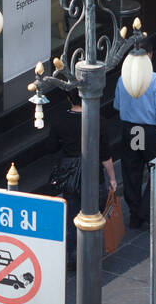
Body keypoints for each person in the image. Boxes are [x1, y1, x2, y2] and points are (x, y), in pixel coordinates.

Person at [113, 38, 156, 229]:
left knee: (131, 172)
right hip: (150, 132)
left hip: (130, 130)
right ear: (150, 55)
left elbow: (117, 105)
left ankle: (134, 213)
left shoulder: (122, 78)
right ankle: (145, 210)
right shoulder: (155, 80)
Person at [48, 96, 118, 268]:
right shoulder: (98, 121)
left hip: (70, 175)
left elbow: (52, 147)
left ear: (69, 99)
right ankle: (90, 255)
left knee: (72, 214)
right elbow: (105, 154)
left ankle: (72, 256)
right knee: (95, 215)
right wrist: (113, 178)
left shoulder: (59, 120)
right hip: (93, 174)